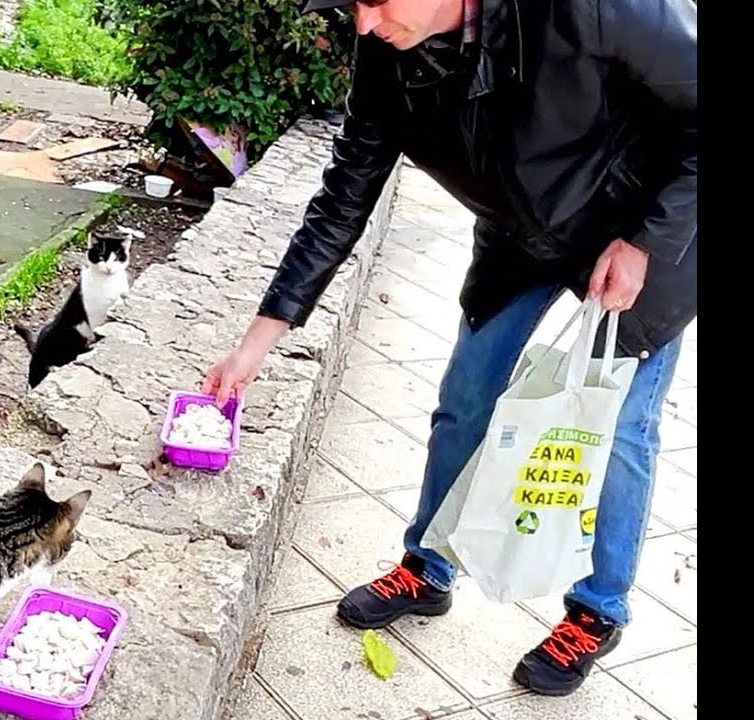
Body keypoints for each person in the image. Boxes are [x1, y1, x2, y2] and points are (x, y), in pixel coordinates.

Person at [202, 0, 696, 698]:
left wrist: (646, 241)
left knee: (617, 429)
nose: (364, 23)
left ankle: (598, 609)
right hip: (518, 237)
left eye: (376, 0)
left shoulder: (589, 8)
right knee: (466, 398)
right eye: (352, 4)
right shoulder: (386, 53)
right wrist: (256, 343)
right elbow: (343, 198)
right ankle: (428, 567)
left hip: (639, 236)